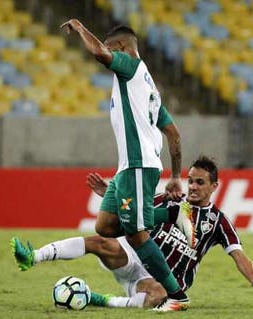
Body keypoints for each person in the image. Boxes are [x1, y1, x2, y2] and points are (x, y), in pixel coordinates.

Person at [12, 156, 253, 311]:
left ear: (214, 186)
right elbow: (133, 211)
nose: (193, 187)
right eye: (190, 180)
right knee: (101, 242)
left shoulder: (219, 222)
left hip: (161, 281)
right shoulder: (170, 199)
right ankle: (33, 256)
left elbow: (239, 256)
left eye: (200, 182)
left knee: (157, 295)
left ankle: (100, 300)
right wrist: (110, 196)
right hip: (136, 256)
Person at [60, 21, 193, 310]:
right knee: (106, 225)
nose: (110, 56)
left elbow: (97, 53)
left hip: (138, 164)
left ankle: (177, 296)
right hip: (128, 168)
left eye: (112, 49)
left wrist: (81, 28)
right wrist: (175, 177)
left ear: (120, 47)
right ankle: (171, 213)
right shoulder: (150, 88)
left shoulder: (130, 66)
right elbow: (173, 132)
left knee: (136, 234)